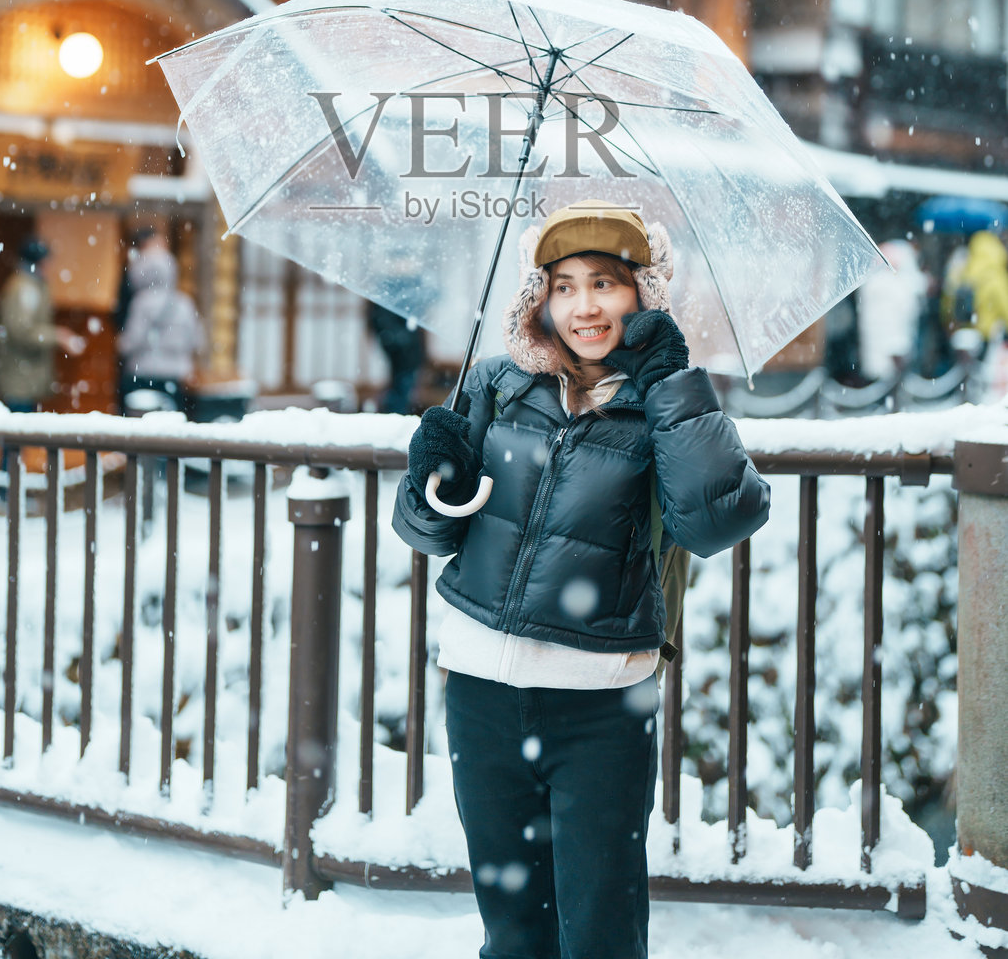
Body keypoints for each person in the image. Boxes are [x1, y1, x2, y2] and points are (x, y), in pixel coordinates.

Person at [392, 199, 770, 959]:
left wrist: (671, 385)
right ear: (540, 297)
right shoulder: (497, 387)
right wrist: (430, 478)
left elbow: (719, 519)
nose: (583, 306)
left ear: (642, 295)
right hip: (481, 694)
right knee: (512, 934)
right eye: (563, 286)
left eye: (604, 283)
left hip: (599, 705)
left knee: (600, 934)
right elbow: (427, 533)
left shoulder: (664, 402)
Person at [0, 238, 84, 411]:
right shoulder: (24, 288)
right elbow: (21, 331)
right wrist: (58, 336)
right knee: (20, 423)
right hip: (19, 380)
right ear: (40, 262)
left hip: (25, 379)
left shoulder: (32, 285)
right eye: (48, 261)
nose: (51, 266)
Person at [117, 238, 203, 411]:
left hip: (143, 374)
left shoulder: (141, 302)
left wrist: (120, 344)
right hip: (175, 377)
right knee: (171, 421)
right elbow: (197, 341)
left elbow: (131, 342)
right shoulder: (184, 303)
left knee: (141, 421)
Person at [856, 240, 927, 380]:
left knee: (881, 373)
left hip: (882, 338)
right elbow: (908, 305)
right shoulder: (896, 282)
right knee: (893, 373)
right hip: (894, 337)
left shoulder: (872, 280)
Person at [367, 299, 427, 414]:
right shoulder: (392, 301)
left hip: (407, 353)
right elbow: (386, 329)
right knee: (401, 390)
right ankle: (395, 413)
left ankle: (396, 412)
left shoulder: (400, 299)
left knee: (403, 389)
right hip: (403, 354)